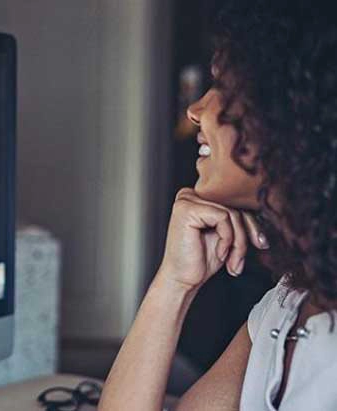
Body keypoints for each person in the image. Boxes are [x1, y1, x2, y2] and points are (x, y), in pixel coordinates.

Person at [99, 1, 337, 410]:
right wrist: (174, 284)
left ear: (292, 115)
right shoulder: (287, 304)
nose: (195, 110)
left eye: (224, 88)